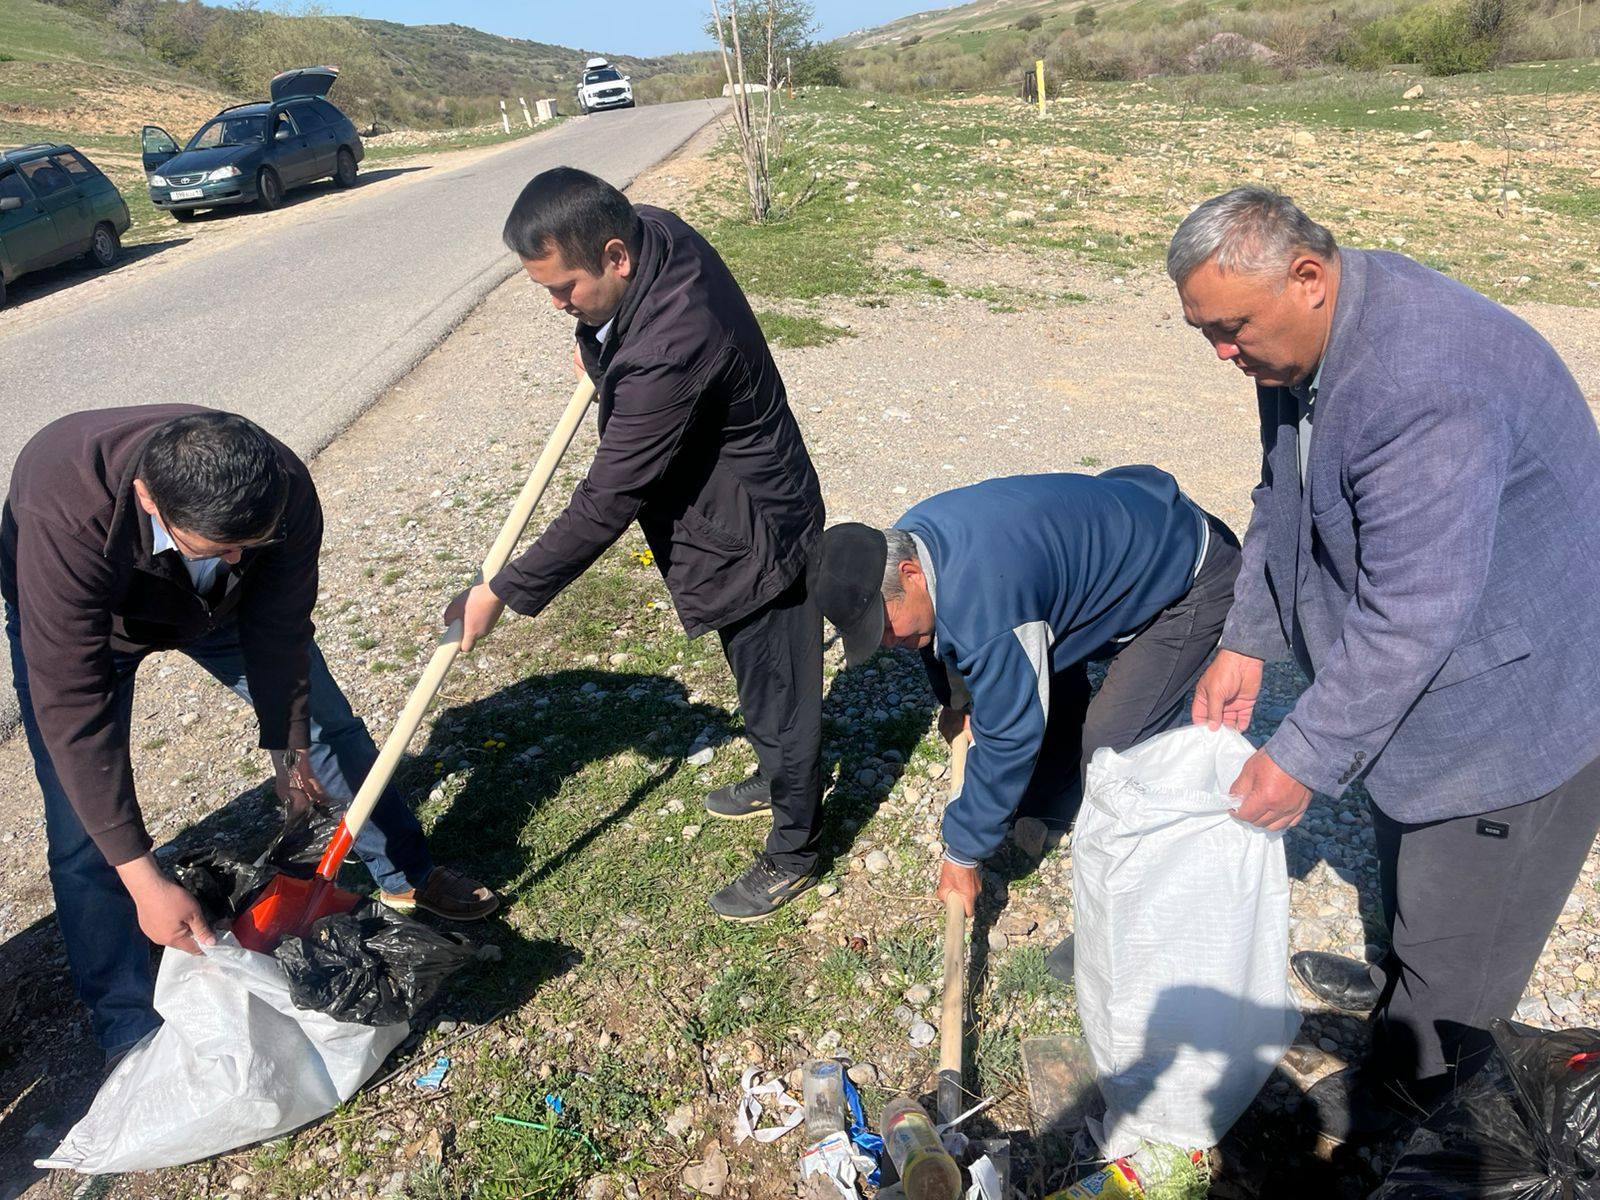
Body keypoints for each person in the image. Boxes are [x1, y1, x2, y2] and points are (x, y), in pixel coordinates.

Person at [1169, 187, 1600, 1141]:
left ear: (1308, 277)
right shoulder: (1304, 343)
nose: (1222, 355)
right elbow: (1281, 496)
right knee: (1412, 865)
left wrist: (1305, 755)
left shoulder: (1424, 383)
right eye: (1205, 332)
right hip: (1447, 663)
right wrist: (1248, 637)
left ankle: (1416, 1099)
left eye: (1229, 329)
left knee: (1462, 944)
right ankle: (1405, 980)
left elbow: (1415, 616)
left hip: (1516, 699)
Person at [1, 406, 498, 1062]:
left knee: (327, 729)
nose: (238, 558)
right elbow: (73, 711)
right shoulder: (66, 508)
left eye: (249, 545)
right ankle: (128, 1029)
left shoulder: (279, 483)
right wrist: (146, 879)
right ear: (150, 498)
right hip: (93, 622)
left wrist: (290, 756)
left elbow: (279, 628)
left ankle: (406, 873)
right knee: (83, 832)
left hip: (224, 615)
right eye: (221, 547)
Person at [444, 167, 826, 923]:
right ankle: (780, 775)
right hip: (727, 509)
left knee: (781, 690)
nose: (558, 305)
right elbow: (613, 331)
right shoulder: (654, 228)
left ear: (616, 256)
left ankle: (796, 848)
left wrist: (504, 591)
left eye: (567, 288)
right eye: (546, 289)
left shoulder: (672, 343)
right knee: (761, 680)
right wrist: (595, 345)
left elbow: (607, 498)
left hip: (755, 529)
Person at [816, 471, 1240, 939]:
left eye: (885, 625)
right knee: (1034, 673)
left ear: (909, 574)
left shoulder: (988, 603)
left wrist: (963, 852)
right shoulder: (911, 542)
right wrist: (957, 700)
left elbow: (1009, 734)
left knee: (1112, 750)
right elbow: (935, 637)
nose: (889, 642)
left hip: (1187, 576)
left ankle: (1130, 921)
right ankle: (1056, 795)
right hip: (1124, 532)